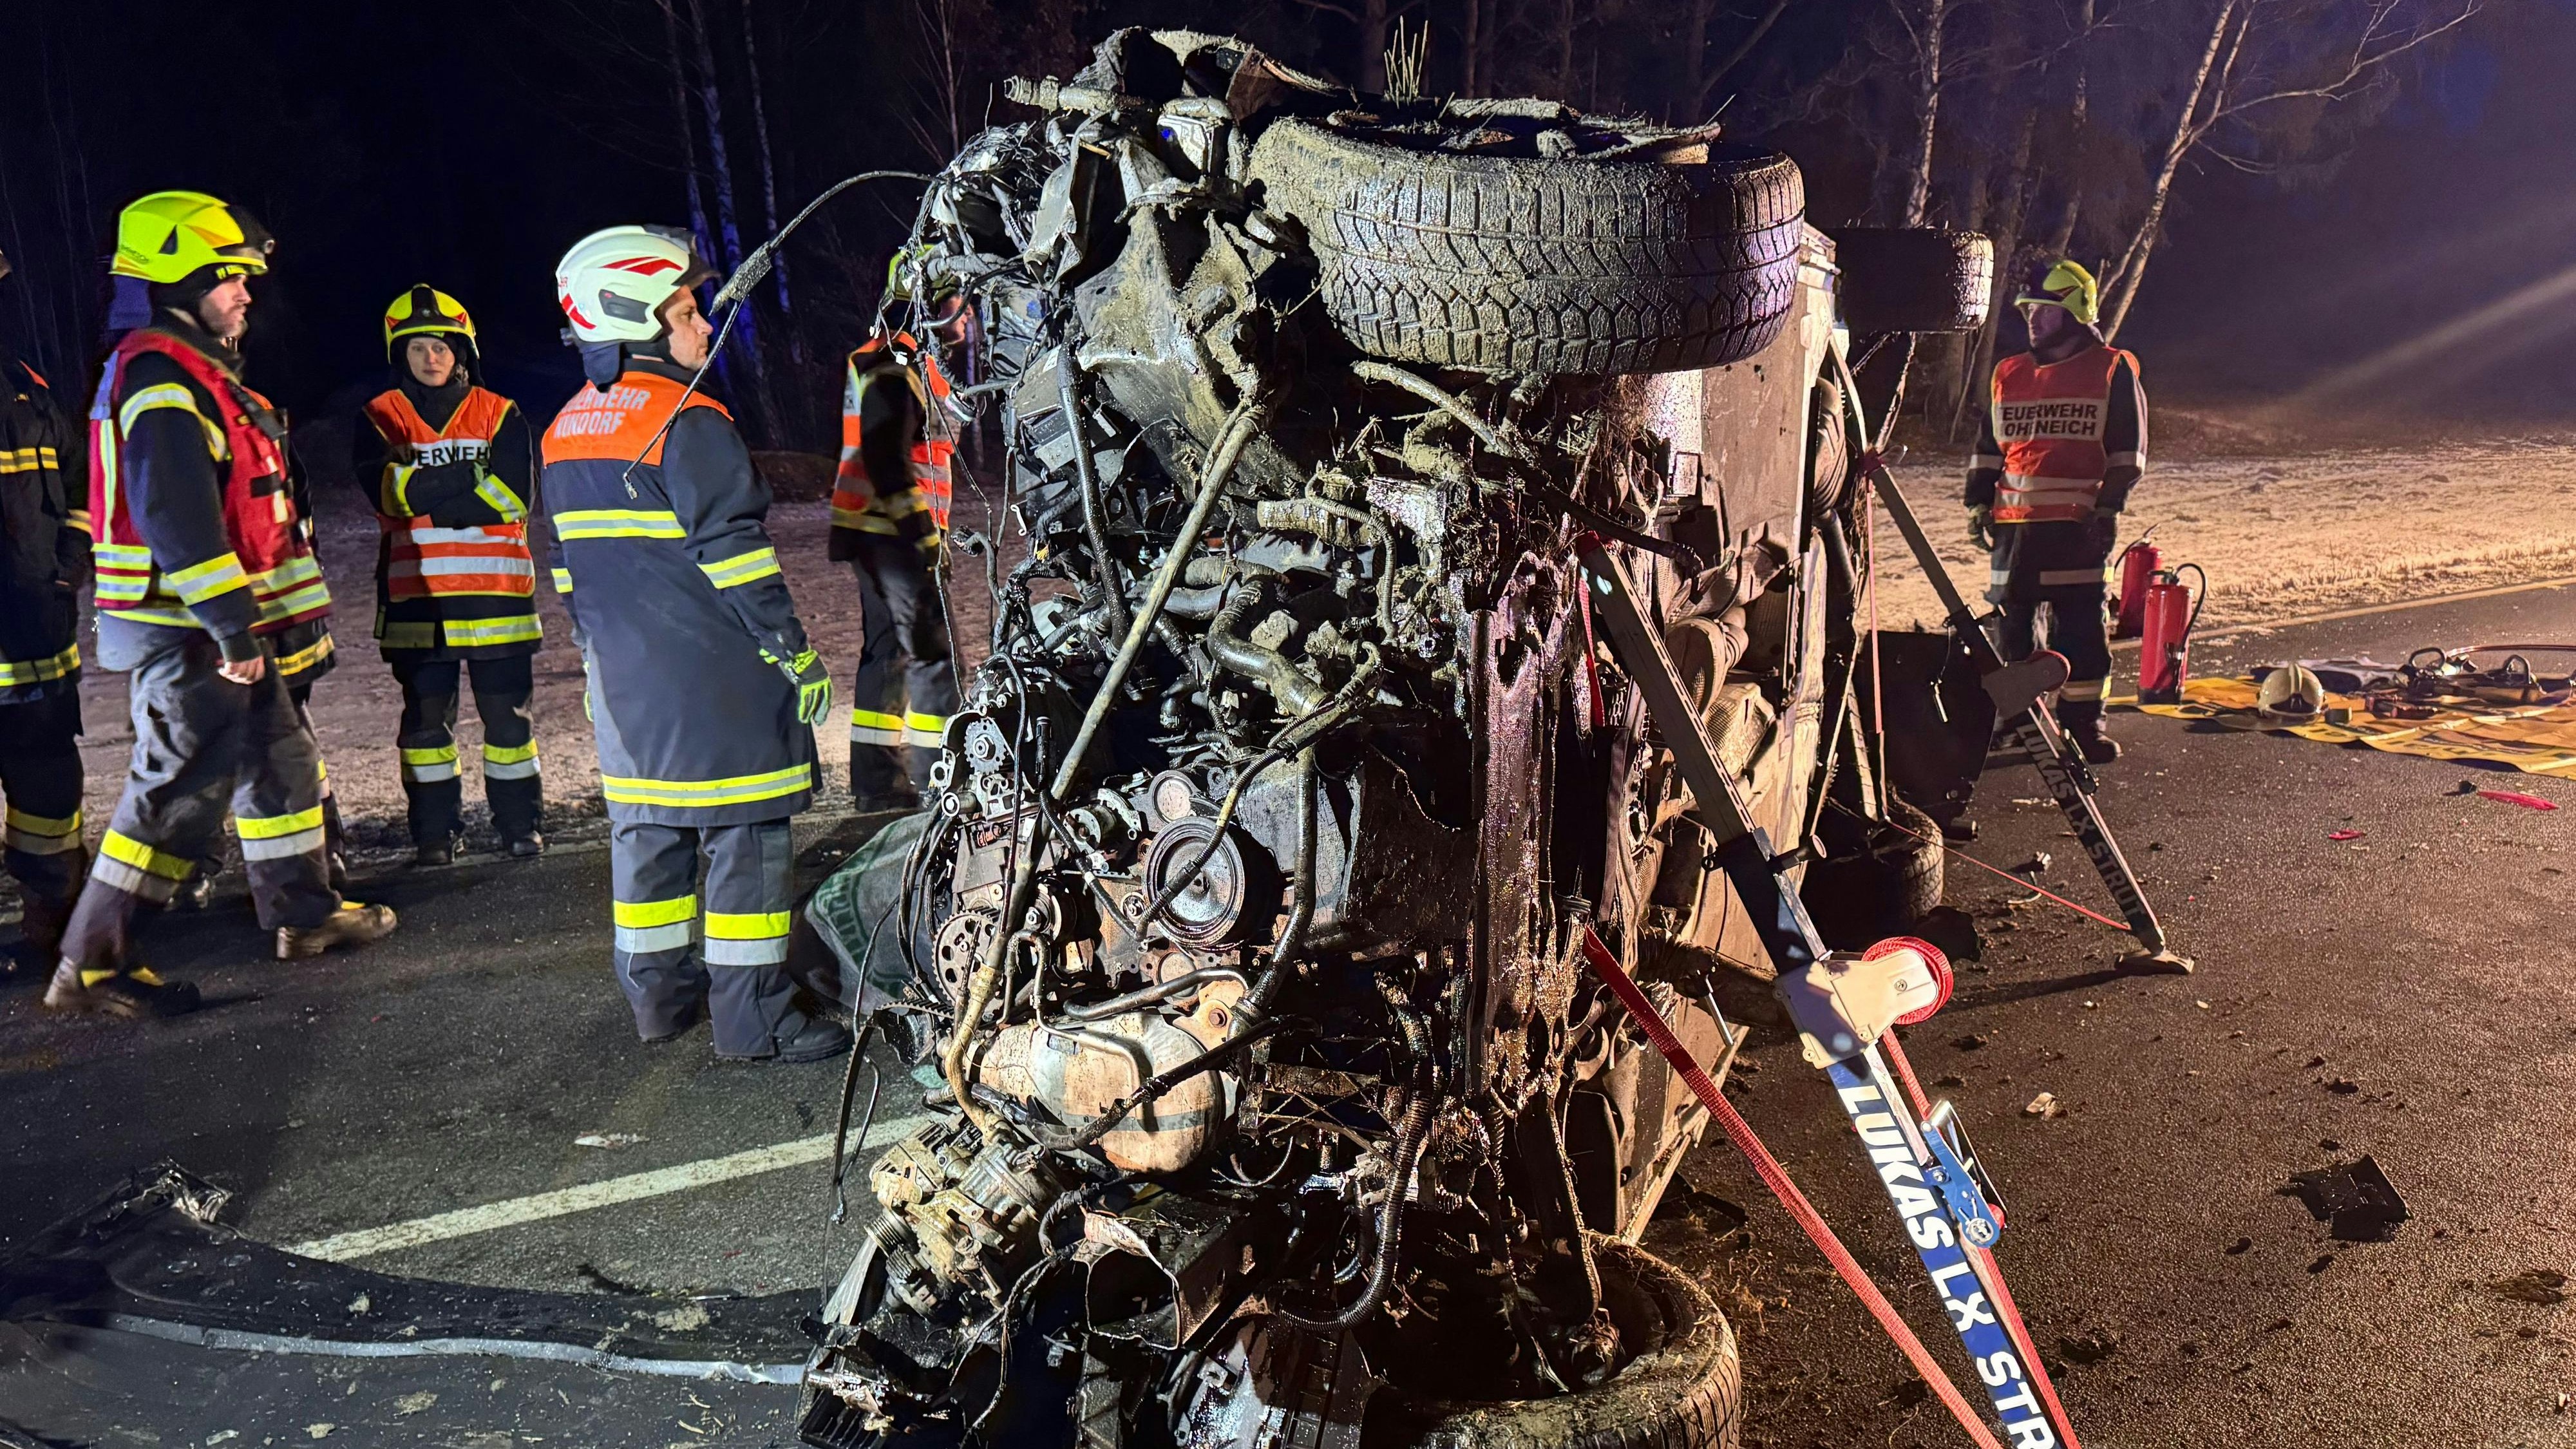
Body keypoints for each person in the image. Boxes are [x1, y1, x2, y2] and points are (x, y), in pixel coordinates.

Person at [49, 191, 397, 1019]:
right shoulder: (159, 374)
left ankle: (306, 915)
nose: (246, 293)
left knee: (282, 765)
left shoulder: (194, 371)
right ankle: (92, 960)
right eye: (228, 277)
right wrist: (234, 626)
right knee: (175, 795)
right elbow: (174, 513)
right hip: (189, 632)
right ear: (176, 285)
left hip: (209, 628)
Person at [543, 224, 848, 1063]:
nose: (702, 329)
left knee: (648, 838)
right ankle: (757, 1023)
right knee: (746, 838)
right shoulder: (689, 418)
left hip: (624, 688)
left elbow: (569, 572)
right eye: (684, 311)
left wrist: (592, 663)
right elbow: (740, 560)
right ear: (638, 322)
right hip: (713, 682)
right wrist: (795, 653)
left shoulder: (566, 430)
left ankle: (658, 1000)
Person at [353, 285, 545, 864]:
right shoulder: (379, 417)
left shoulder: (501, 411)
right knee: (425, 730)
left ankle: (521, 828)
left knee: (509, 726)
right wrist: (468, 477)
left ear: (462, 350)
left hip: (498, 602)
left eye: (440, 346)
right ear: (400, 356)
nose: (430, 359)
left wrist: (423, 492)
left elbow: (512, 497)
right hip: (420, 605)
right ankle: (435, 835)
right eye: (416, 350)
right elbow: (385, 494)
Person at [1965, 258, 2146, 765]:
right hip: (2014, 532)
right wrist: (1978, 503)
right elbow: (1988, 448)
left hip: (2076, 529)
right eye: (2029, 311)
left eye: (2044, 310)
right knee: (2013, 633)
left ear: (2074, 311)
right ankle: (2017, 724)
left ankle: (2084, 728)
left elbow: (2127, 455)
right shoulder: (2009, 373)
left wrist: (2107, 510)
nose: (2032, 320)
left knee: (2081, 634)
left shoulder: (2111, 368)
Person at [829, 279, 960, 811]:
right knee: (934, 656)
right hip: (897, 535)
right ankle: (938, 780)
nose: (966, 320)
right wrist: (926, 538)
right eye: (958, 307)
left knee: (885, 654)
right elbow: (889, 462)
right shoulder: (894, 364)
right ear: (927, 310)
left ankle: (876, 784)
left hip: (873, 531)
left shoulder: (888, 359)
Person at [0, 247, 91, 978]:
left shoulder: (26, 387)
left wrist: (71, 564)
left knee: (48, 782)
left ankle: (55, 916)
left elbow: (75, 484)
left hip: (35, 628)